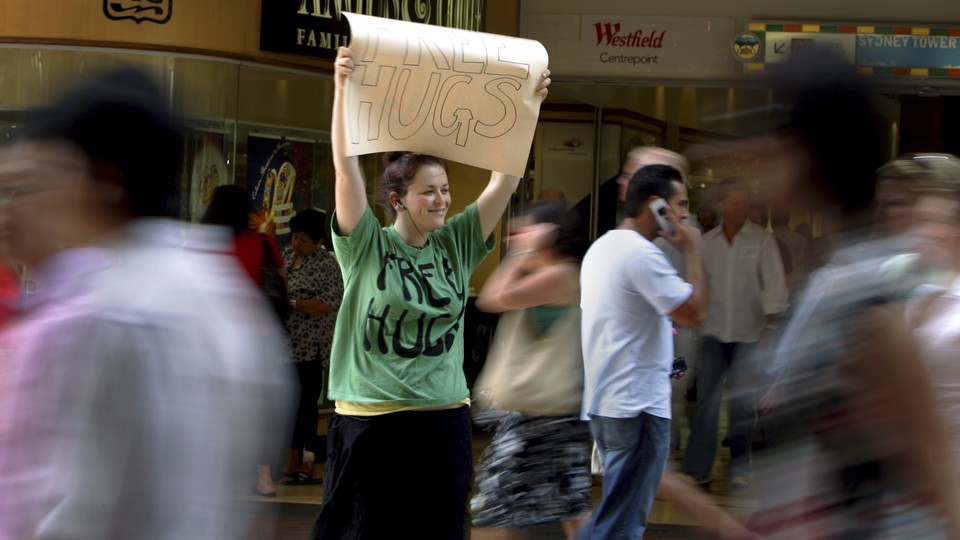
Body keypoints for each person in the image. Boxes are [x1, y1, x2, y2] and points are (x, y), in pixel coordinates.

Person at [0, 68, 291, 538]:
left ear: (98, 178)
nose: (14, 208)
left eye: (34, 182)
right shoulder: (216, 291)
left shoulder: (101, 313)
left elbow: (73, 512)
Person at [308, 46, 549, 540]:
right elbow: (345, 171)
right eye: (429, 192)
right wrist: (341, 92)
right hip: (371, 422)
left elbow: (504, 178)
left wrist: (530, 107)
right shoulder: (366, 245)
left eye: (444, 189)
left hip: (442, 421)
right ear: (398, 200)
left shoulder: (457, 242)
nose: (442, 200)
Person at [746, 45, 959, 537]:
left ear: (811, 151)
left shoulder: (863, 295)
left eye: (775, 136)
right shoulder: (838, 279)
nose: (758, 153)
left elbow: (924, 444)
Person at [578, 164, 707, 540]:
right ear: (656, 206)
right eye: (680, 204)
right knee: (621, 525)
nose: (685, 215)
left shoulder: (602, 247)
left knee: (614, 515)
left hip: (609, 402)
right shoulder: (642, 255)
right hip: (638, 407)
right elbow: (696, 312)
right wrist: (694, 250)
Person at [470, 200, 591, 540]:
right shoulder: (552, 274)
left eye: (524, 230)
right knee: (568, 505)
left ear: (549, 235)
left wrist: (519, 255)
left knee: (495, 506)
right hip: (545, 414)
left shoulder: (562, 274)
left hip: (543, 417)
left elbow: (491, 298)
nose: (513, 238)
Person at [683, 176, 787, 491]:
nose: (741, 208)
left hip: (749, 334)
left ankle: (740, 466)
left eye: (745, 202)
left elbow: (774, 286)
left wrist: (769, 328)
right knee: (706, 403)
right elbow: (697, 286)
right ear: (722, 205)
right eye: (735, 202)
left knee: (743, 404)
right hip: (713, 333)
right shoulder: (708, 243)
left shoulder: (761, 241)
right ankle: (698, 467)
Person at [201, 184, 289, 497]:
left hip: (213, 338)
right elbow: (280, 279)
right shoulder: (263, 241)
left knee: (213, 407)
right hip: (259, 337)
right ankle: (264, 478)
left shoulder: (203, 244)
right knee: (259, 410)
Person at [279, 208, 343, 485]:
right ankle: (288, 464)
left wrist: (291, 303)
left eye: (304, 240)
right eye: (294, 238)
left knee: (306, 406)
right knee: (287, 405)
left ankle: (307, 464)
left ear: (318, 241)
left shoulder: (327, 264)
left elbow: (329, 303)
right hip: (283, 345)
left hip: (310, 347)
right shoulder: (286, 257)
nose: (297, 244)